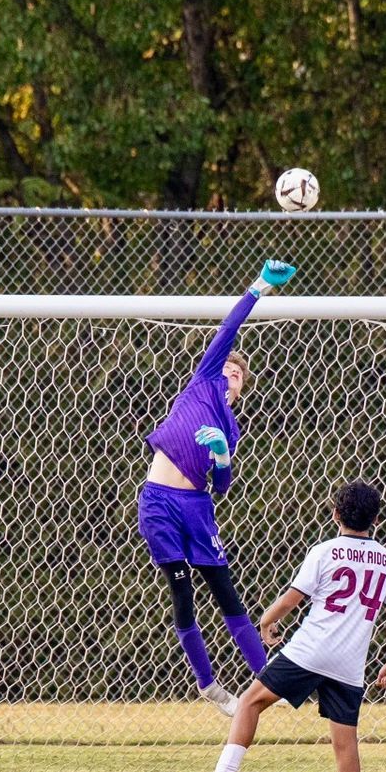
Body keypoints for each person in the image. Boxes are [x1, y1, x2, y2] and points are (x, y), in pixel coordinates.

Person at [181, 481, 386, 772]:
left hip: (310, 651)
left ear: (335, 514)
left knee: (251, 701)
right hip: (350, 664)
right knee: (345, 746)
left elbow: (291, 599)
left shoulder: (325, 551)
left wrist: (267, 621)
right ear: (376, 519)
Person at [138, 258, 298, 717]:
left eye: (238, 373)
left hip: (197, 507)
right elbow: (229, 327)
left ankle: (271, 680)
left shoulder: (230, 427)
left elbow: (223, 485)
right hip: (159, 503)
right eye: (227, 367)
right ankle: (208, 685)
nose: (230, 371)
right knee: (182, 592)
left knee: (226, 593)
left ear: (243, 386)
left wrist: (224, 458)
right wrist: (259, 287)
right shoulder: (203, 382)